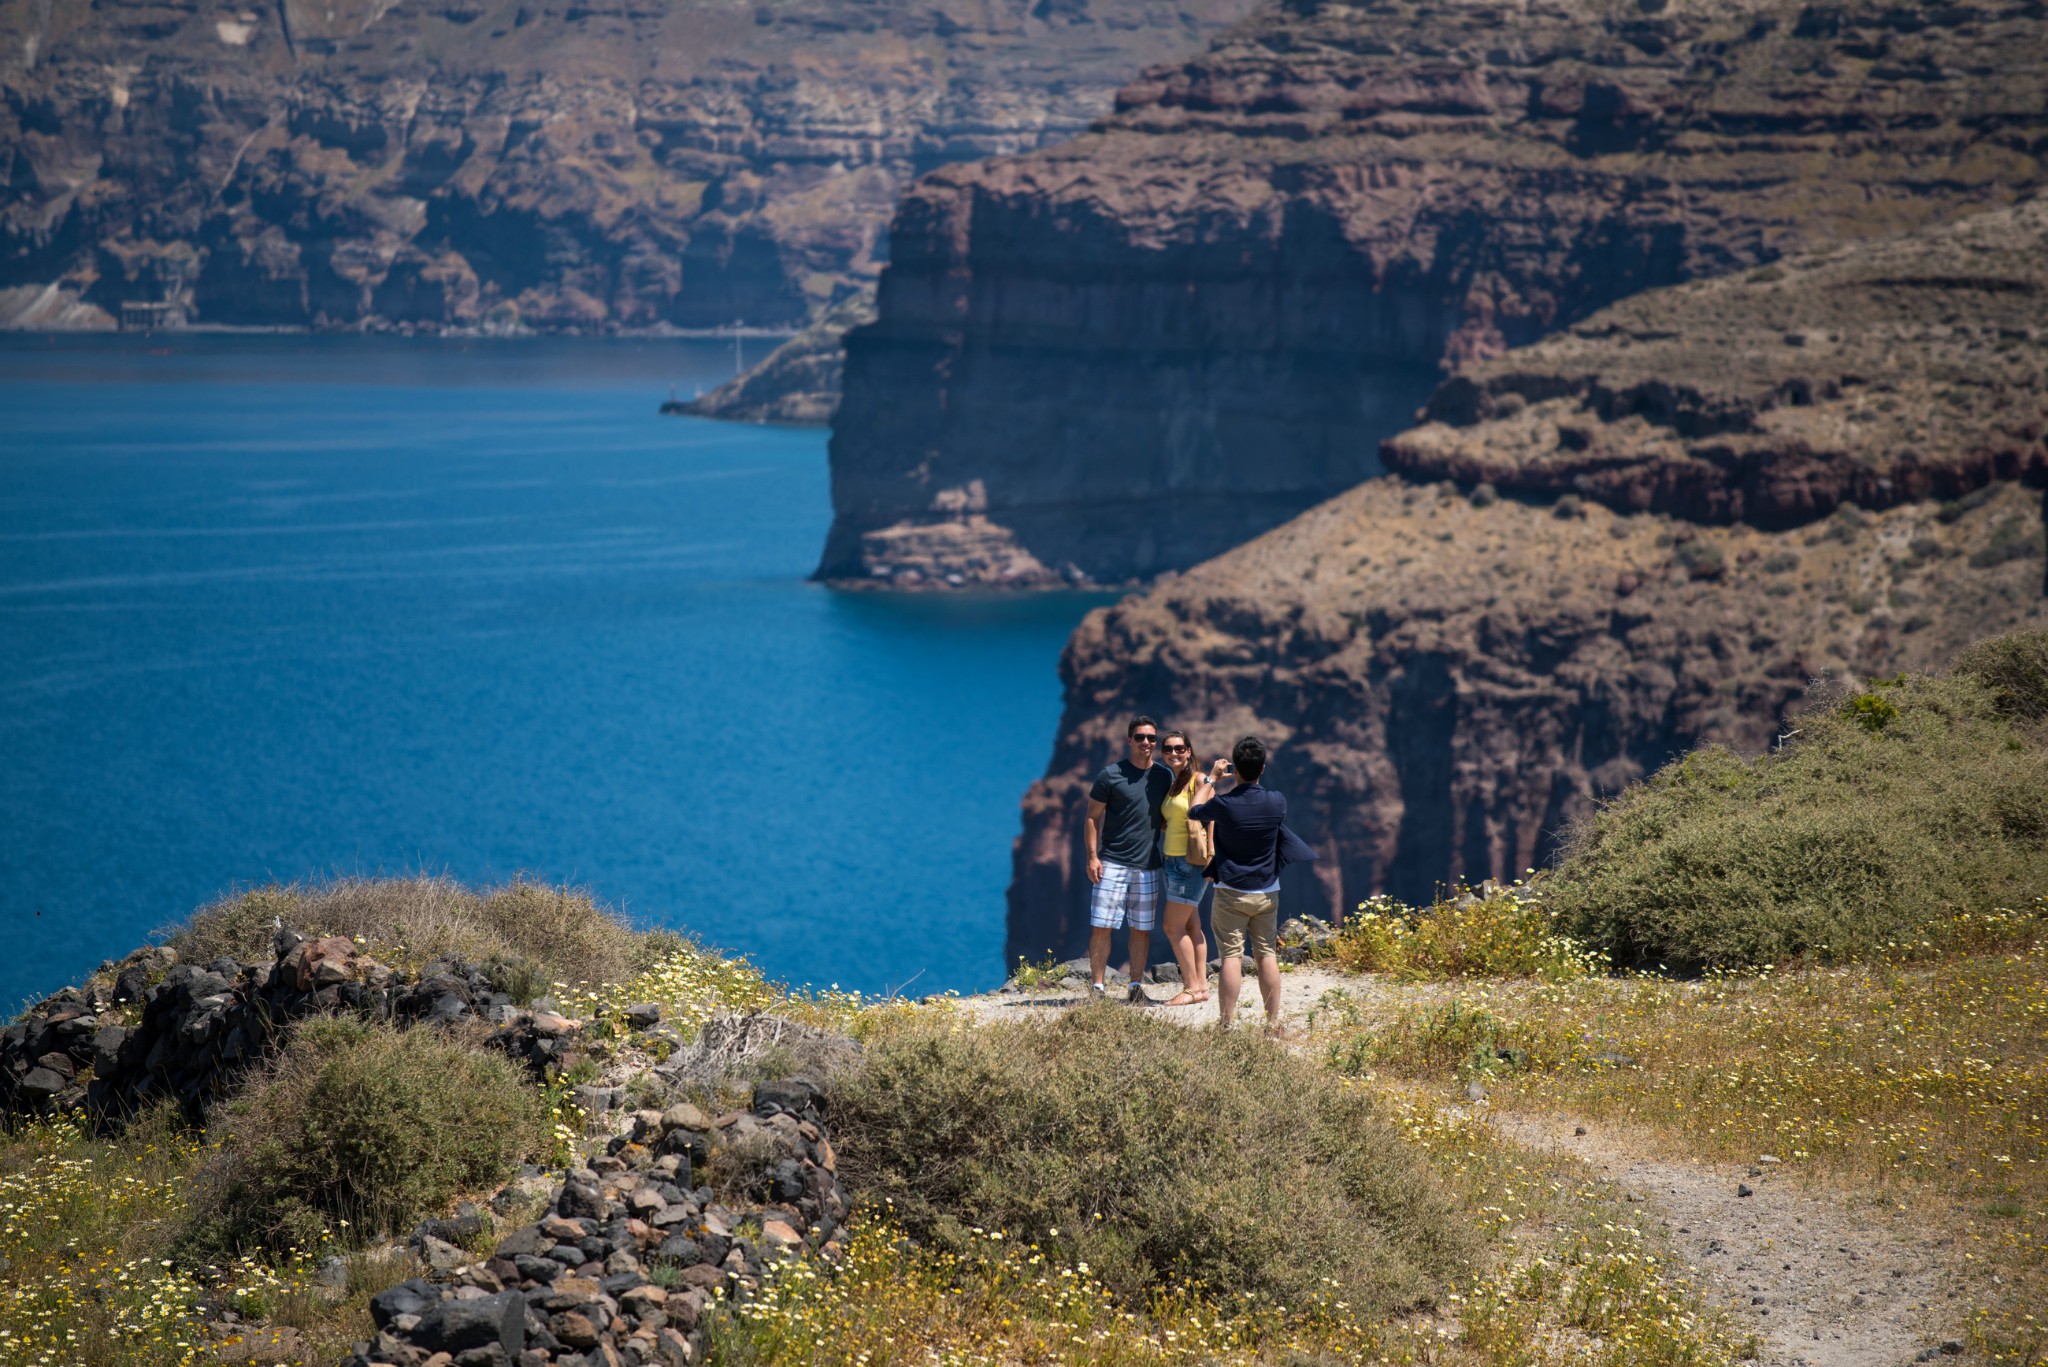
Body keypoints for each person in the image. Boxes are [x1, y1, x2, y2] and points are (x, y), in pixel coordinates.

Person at [1188, 735, 1315, 1034]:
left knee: (1231, 956)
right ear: (1263, 768)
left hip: (1230, 891)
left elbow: (1194, 811)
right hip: (1267, 891)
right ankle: (1272, 1023)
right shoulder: (1277, 801)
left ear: (1237, 768)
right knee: (1266, 954)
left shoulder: (1223, 803)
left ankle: (1226, 1024)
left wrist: (1211, 778)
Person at [1084, 715, 1172, 1001]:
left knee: (1142, 929)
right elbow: (1092, 818)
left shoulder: (1163, 776)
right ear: (1129, 740)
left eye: (1151, 738)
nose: (1146, 742)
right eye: (1140, 737)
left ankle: (1135, 988)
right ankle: (1098, 988)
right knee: (1102, 925)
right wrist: (1092, 857)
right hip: (1112, 863)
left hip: (1148, 866)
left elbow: (1163, 817)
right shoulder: (1110, 775)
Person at [1156, 729, 1214, 1007]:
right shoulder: (1175, 781)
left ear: (1189, 751)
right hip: (1172, 860)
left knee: (1171, 926)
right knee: (1191, 924)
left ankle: (1190, 987)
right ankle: (1201, 986)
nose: (1173, 753)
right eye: (1168, 748)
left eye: (1179, 748)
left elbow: (1214, 818)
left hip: (1190, 863)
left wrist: (1212, 855)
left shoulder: (1200, 780)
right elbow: (1173, 819)